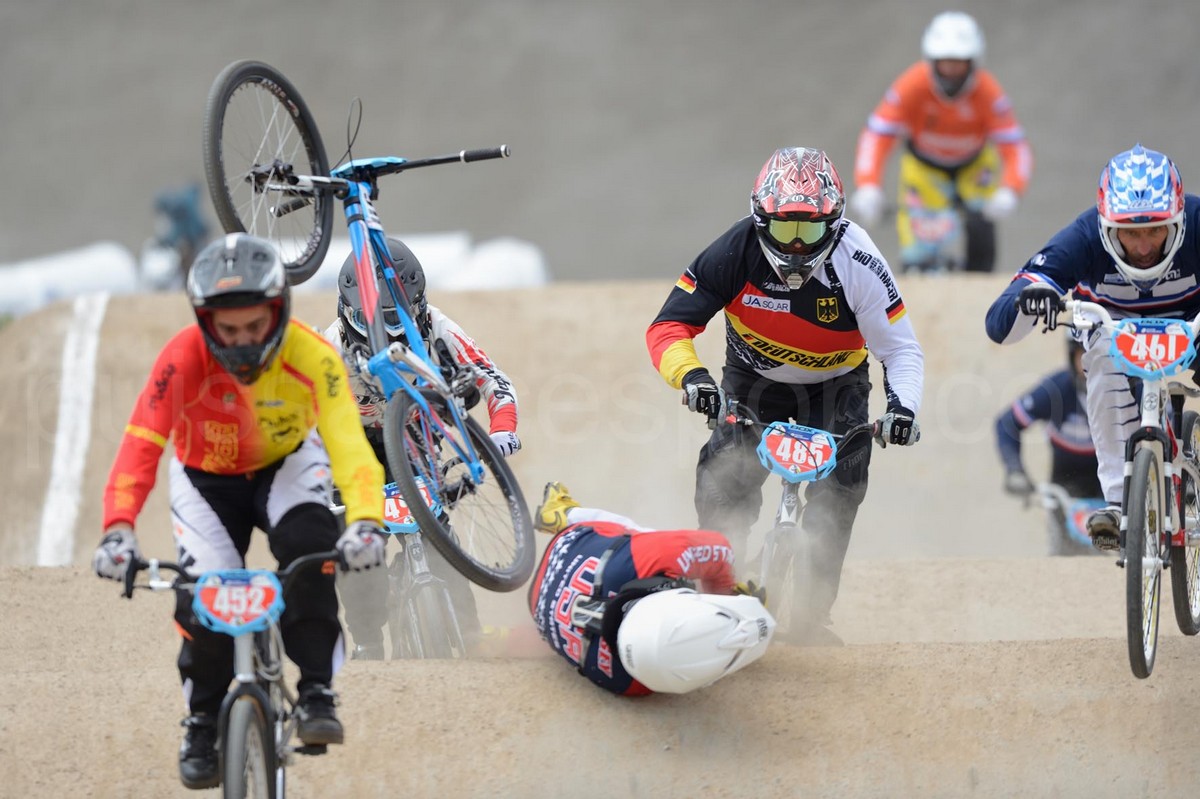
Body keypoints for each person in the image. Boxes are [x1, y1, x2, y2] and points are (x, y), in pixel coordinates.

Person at [93, 233, 387, 790]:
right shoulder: (181, 357)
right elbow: (141, 444)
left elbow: (349, 444)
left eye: (255, 326)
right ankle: (203, 721)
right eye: (228, 330)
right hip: (206, 477)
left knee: (311, 550)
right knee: (200, 597)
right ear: (206, 323)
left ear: (279, 311)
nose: (244, 342)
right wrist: (118, 529)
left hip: (287, 463)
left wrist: (366, 520)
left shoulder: (314, 356)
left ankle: (317, 689)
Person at [646, 146, 925, 646]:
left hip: (837, 386)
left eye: (809, 232)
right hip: (752, 383)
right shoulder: (734, 250)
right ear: (760, 220)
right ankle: (717, 596)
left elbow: (900, 349)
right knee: (722, 483)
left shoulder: (859, 261)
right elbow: (668, 327)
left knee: (840, 490)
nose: (796, 247)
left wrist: (902, 409)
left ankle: (812, 619)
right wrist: (694, 379)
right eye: (784, 228)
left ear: (834, 225)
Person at [984, 143, 1200, 552]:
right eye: (1130, 233)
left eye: (1156, 230)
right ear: (1105, 226)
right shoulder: (1083, 236)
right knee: (1099, 355)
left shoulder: (1199, 220)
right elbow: (999, 326)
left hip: (1192, 324)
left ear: (1179, 221)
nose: (1143, 247)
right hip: (1117, 334)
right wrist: (1029, 300)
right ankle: (1118, 502)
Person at [324, 237, 521, 660]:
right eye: (370, 318)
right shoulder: (329, 348)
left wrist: (503, 431)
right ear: (346, 312)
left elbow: (494, 381)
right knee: (359, 546)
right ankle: (368, 643)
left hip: (414, 436)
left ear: (419, 305)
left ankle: (469, 633)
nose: (388, 332)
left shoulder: (439, 327)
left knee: (438, 535)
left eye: (398, 316)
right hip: (353, 446)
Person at [528, 482, 775, 695]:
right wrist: (730, 599)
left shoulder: (638, 562)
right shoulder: (630, 687)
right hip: (537, 607)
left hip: (568, 543)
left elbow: (720, 549)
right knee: (646, 548)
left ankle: (563, 514)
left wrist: (728, 596)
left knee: (642, 536)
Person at [850, 10, 1033, 273]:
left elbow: (1016, 147)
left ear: (973, 62)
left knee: (982, 242)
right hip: (925, 171)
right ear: (931, 61)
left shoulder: (988, 92)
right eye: (945, 63)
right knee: (918, 259)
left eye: (958, 63)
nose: (951, 72)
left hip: (975, 169)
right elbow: (876, 135)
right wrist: (868, 185)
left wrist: (1011, 190)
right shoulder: (911, 85)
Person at [994, 332, 1100, 500]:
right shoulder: (1055, 390)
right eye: (1084, 356)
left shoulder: (1128, 389)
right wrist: (1015, 470)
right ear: (1072, 356)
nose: (1091, 366)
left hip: (1115, 486)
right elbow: (1007, 423)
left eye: (1100, 357)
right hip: (1064, 488)